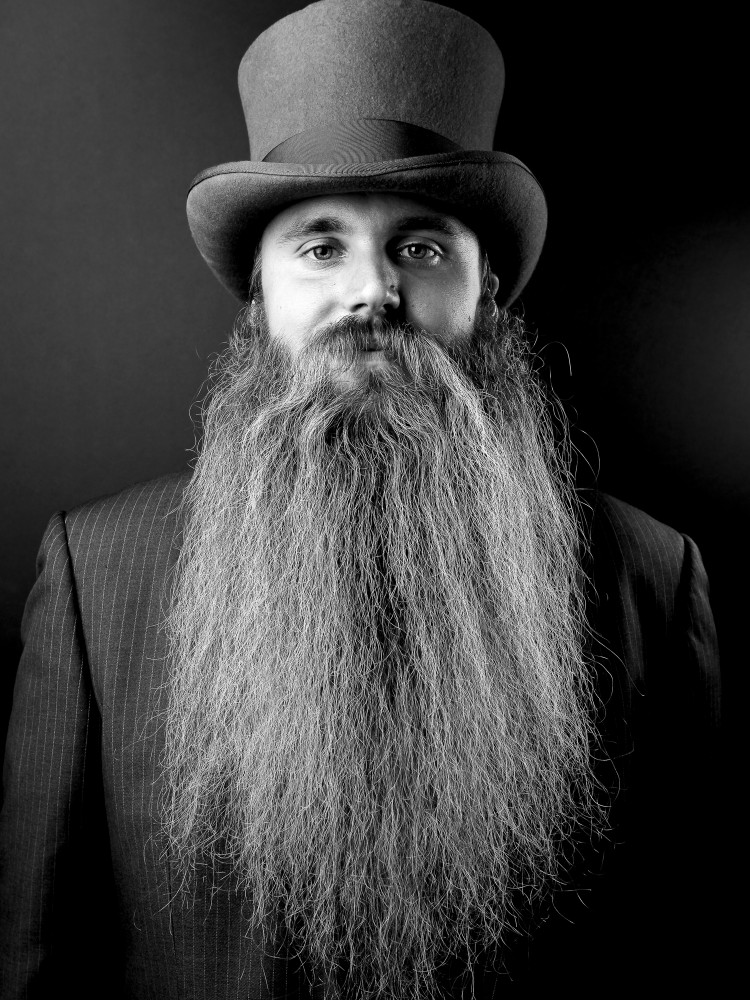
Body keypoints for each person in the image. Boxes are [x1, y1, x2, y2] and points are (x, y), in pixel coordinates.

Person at [0, 1, 721, 997]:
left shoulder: (650, 574)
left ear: (488, 291)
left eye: (421, 248)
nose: (371, 291)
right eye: (320, 247)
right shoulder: (97, 574)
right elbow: (34, 959)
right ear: (259, 294)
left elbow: (692, 933)